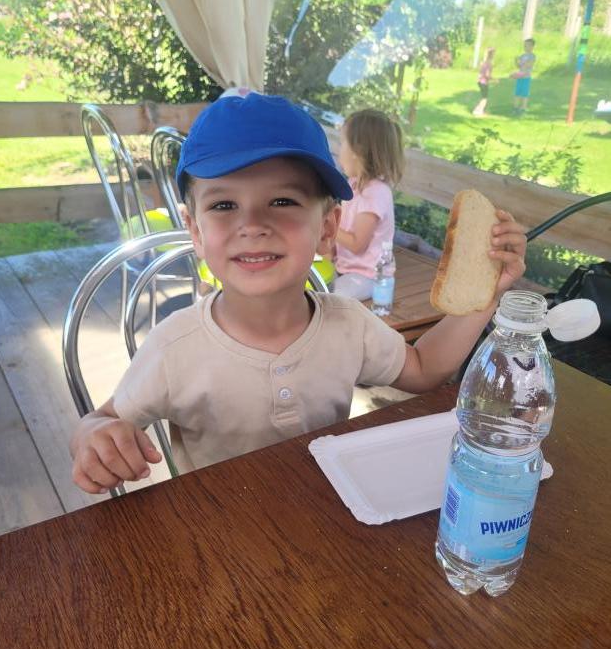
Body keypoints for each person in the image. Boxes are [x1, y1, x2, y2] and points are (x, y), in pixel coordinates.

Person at [70, 93, 527, 493]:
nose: (252, 224)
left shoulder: (349, 324)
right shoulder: (174, 348)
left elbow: (424, 369)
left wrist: (486, 295)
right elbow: (101, 421)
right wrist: (95, 440)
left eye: (282, 201)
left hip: (327, 514)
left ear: (327, 228)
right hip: (214, 534)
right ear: (196, 231)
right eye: (224, 205)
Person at [332, 109, 403, 301]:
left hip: (368, 277)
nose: (339, 149)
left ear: (358, 151)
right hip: (345, 268)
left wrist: (325, 225)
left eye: (342, 142)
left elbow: (357, 244)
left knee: (328, 298)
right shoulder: (354, 184)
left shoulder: (375, 193)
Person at [512, 38, 536, 116]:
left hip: (526, 77)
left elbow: (529, 65)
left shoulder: (532, 56)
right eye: (524, 45)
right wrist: (516, 61)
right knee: (517, 93)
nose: (525, 47)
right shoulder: (522, 56)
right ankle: (515, 108)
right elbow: (519, 66)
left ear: (532, 47)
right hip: (520, 77)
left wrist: (522, 63)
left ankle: (523, 108)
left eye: (527, 45)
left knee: (524, 94)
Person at [473, 47, 496, 117]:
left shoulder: (483, 62)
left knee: (483, 97)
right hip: (484, 82)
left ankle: (480, 110)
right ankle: (478, 111)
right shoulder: (489, 64)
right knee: (484, 98)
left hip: (479, 81)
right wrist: (494, 80)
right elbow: (487, 75)